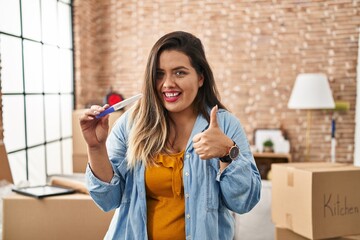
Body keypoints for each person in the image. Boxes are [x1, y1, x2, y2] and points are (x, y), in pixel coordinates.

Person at [80, 31, 261, 240]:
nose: (167, 84)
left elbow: (243, 202)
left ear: (200, 77)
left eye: (180, 73)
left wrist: (227, 153)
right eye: (159, 74)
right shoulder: (131, 125)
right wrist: (95, 147)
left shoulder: (226, 125)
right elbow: (108, 201)